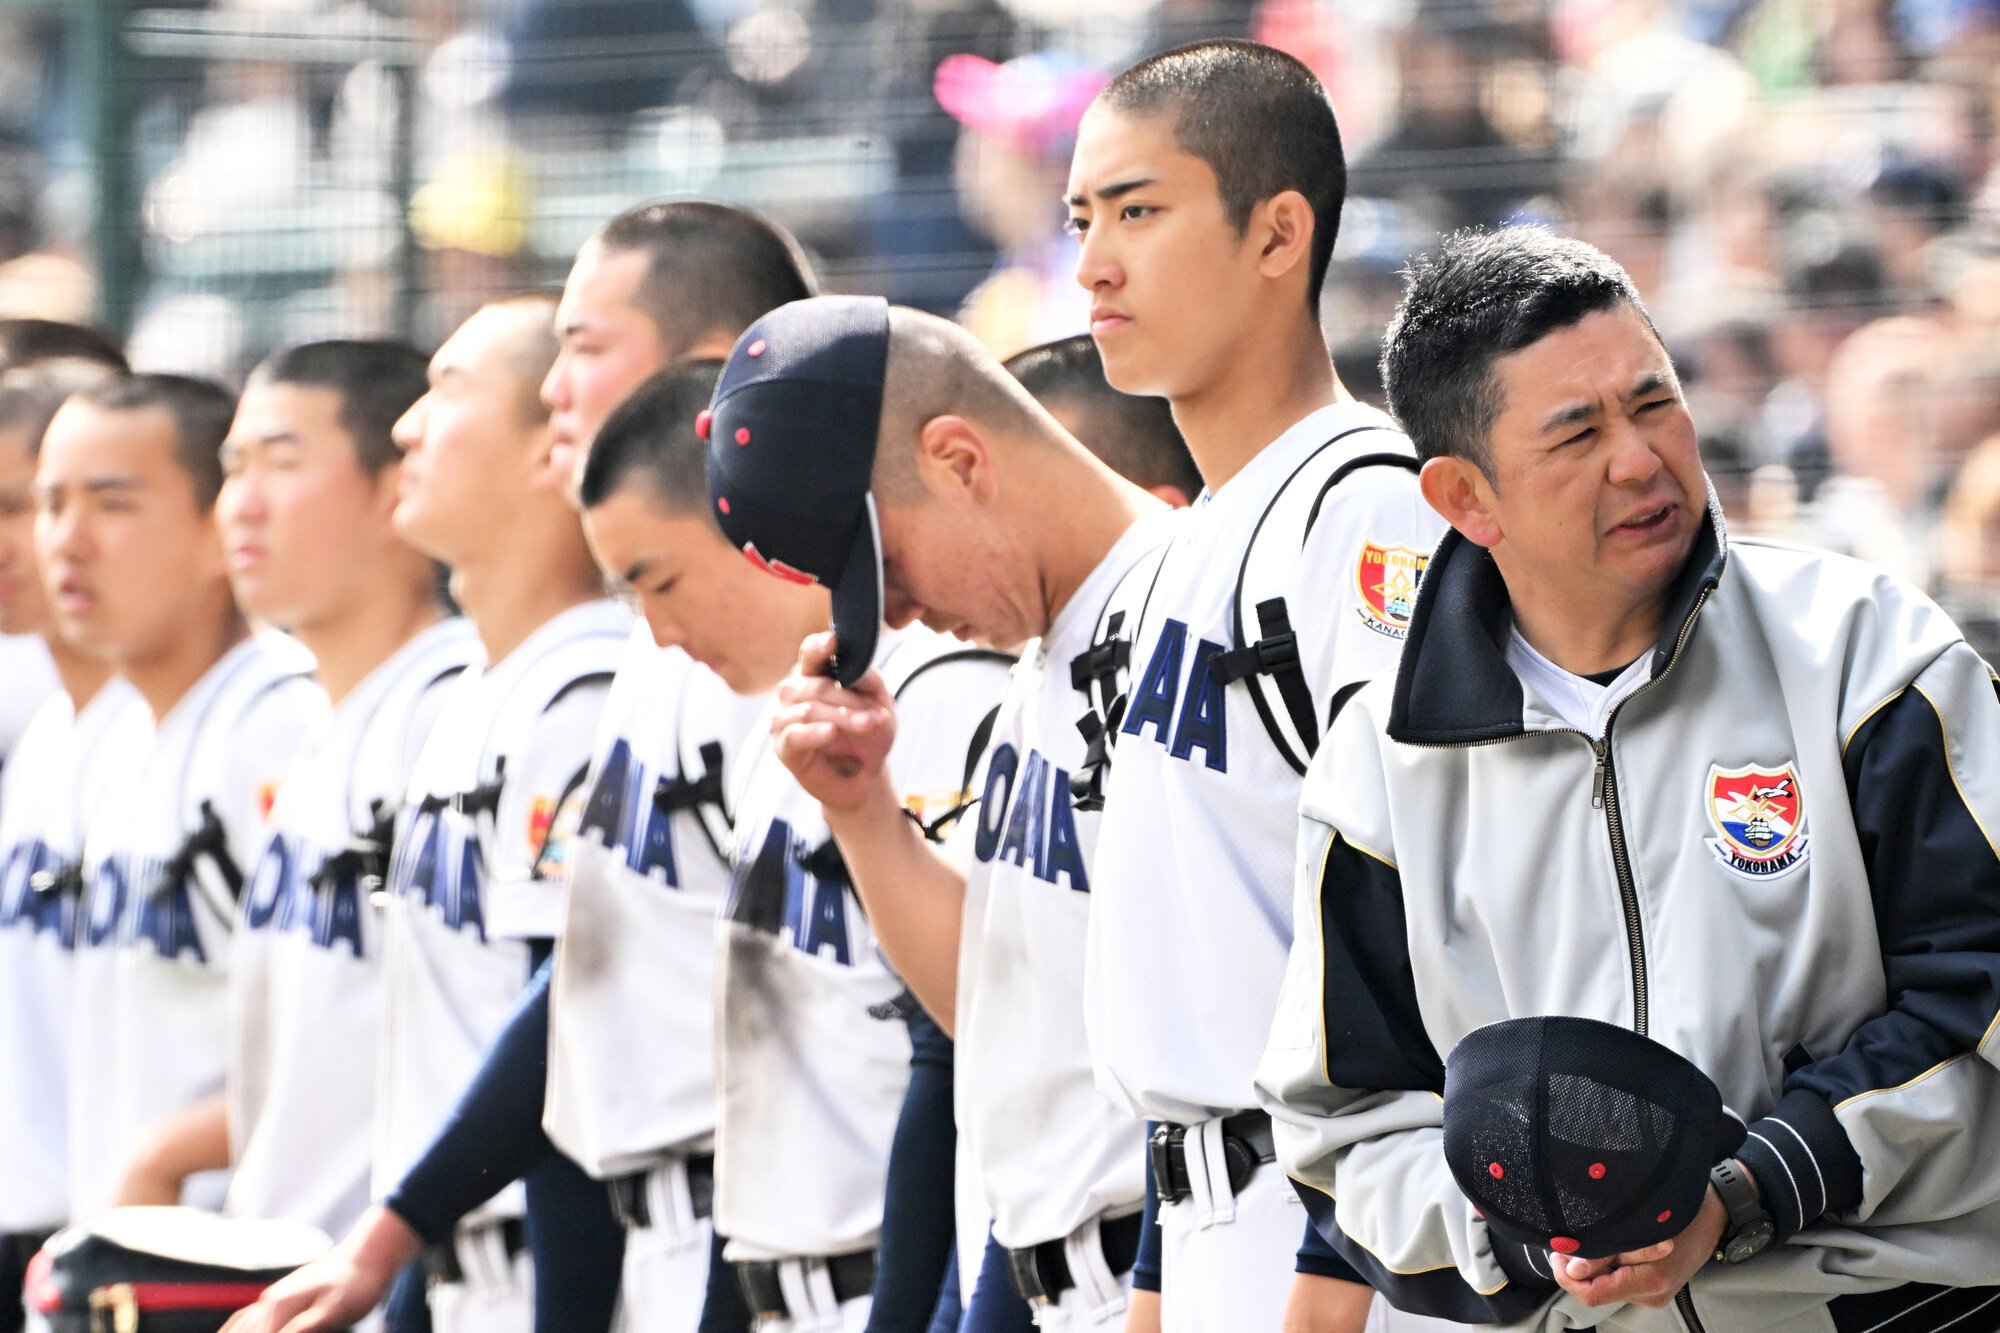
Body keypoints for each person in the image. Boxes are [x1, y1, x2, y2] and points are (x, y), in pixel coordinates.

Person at [1256, 225, 2000, 1329]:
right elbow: (1346, 1128)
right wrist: (1542, 1235)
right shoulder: (1377, 768)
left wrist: (1746, 1190)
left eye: (1654, 403)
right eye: (1577, 433)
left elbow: (1977, 994)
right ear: (1464, 497)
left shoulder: (1867, 652)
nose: (1641, 459)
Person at [220, 200, 821, 1333]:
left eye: (583, 348)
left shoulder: (654, 664)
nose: (557, 388)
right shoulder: (604, 664)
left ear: (707, 367)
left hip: (699, 1243)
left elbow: (572, 1035)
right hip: (556, 1249)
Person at [1061, 38, 1446, 1332]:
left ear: (1279, 233)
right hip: (1205, 1216)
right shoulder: (1186, 546)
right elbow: (1195, 951)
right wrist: (1158, 1283)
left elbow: (1425, 905)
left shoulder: (1366, 506)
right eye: (1079, 219)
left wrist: (1336, 1275)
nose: (1092, 262)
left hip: (1335, 1229)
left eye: (1137, 212)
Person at [737, 299, 1186, 1332]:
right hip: (1052, 1273)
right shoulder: (1041, 658)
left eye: (888, 566)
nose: (894, 613)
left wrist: (1162, 1287)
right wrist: (863, 810)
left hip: (1176, 1267)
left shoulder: (1184, 604)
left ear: (958, 461)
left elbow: (1246, 1029)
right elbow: (989, 1010)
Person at [103, 341, 478, 1256]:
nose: (242, 504)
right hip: (293, 1264)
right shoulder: (323, 720)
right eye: (234, 469)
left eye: (281, 462)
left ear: (395, 486)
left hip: (409, 1269)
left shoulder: (447, 713)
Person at [704, 325, 1018, 1333]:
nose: (901, 607)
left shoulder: (959, 687)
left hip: (906, 1274)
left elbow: (957, 1051)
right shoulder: (811, 717)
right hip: (781, 1271)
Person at [373, 294, 630, 1333]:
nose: (407, 427)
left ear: (545, 447)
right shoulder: (486, 686)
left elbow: (566, 1036)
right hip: (456, 1264)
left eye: (448, 391)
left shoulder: (585, 688)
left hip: (545, 1272)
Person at [35, 375, 327, 1220]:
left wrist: (170, 1156)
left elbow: (356, 1033)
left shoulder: (282, 720)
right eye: (52, 504)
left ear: (218, 528)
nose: (68, 540)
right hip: (136, 1248)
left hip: (256, 1249)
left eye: (112, 504)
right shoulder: (122, 728)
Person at [0, 359, 143, 1333]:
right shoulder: (51, 730)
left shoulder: (213, 722)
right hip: (43, 1222)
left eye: (22, 504)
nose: (42, 539)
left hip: (142, 1234)